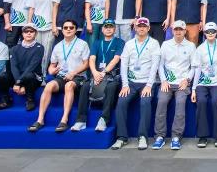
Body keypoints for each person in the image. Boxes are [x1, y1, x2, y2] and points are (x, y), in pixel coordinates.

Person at [28, 19, 90, 132]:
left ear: (76, 30)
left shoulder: (83, 44)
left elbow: (86, 64)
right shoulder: (58, 46)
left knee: (68, 86)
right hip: (61, 77)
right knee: (49, 86)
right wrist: (51, 71)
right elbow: (52, 66)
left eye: (71, 28)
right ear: (62, 30)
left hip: (78, 77)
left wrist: (73, 73)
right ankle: (40, 120)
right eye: (65, 28)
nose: (68, 30)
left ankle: (64, 120)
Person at [111, 17, 161, 150]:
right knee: (121, 102)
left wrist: (149, 85)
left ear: (148, 28)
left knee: (145, 102)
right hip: (131, 82)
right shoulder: (129, 44)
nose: (142, 28)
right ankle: (121, 137)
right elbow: (124, 65)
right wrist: (125, 84)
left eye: (144, 26)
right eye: (139, 26)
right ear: (135, 28)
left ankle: (142, 136)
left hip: (147, 82)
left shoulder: (154, 43)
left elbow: (155, 66)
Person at [73, 18, 123, 132]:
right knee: (85, 86)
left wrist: (103, 72)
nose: (108, 29)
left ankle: (104, 119)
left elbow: (116, 59)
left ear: (114, 29)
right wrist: (95, 73)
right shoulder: (97, 42)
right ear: (102, 29)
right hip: (96, 74)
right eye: (106, 27)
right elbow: (92, 59)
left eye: (111, 27)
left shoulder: (119, 42)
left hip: (111, 75)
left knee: (111, 87)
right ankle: (81, 120)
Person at [153, 20, 196, 150]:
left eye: (180, 29)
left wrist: (187, 80)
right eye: (176, 29)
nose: (178, 32)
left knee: (180, 103)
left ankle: (176, 136)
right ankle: (159, 136)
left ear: (185, 31)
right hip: (167, 83)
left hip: (182, 83)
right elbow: (160, 65)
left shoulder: (191, 46)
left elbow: (193, 67)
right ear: (172, 31)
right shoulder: (165, 45)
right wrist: (163, 80)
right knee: (161, 101)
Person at [192, 22, 217, 147]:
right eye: (208, 31)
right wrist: (193, 89)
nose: (210, 33)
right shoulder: (200, 48)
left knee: (215, 102)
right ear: (204, 33)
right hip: (203, 82)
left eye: (213, 31)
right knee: (201, 101)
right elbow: (197, 70)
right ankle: (202, 136)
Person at [0, 23, 44, 112]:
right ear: (22, 34)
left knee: (29, 75)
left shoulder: (39, 47)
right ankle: (6, 100)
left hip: (33, 77)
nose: (28, 33)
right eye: (26, 31)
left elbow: (32, 67)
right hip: (18, 77)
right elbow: (14, 66)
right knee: (3, 76)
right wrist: (18, 82)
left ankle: (30, 99)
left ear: (36, 33)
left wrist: (18, 83)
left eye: (31, 31)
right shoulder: (14, 49)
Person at [25, 0, 60, 76]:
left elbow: (56, 9)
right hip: (36, 26)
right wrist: (29, 25)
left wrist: (54, 26)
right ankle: (33, 74)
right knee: (35, 51)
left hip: (49, 26)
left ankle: (43, 75)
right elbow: (31, 8)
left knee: (46, 52)